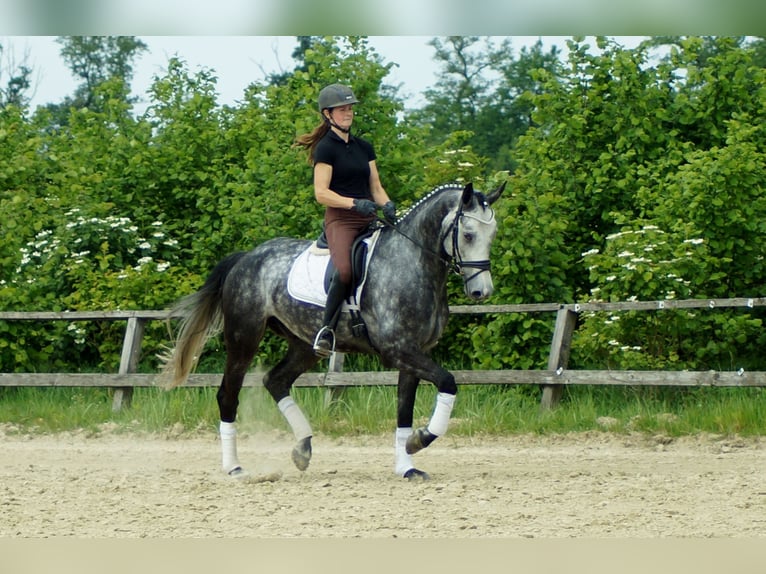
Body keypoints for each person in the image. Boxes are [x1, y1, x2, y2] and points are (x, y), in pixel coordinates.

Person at [294, 83, 396, 357]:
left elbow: (375, 186)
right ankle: (326, 330)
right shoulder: (326, 149)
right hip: (341, 221)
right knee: (345, 272)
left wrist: (387, 205)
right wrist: (353, 203)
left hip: (368, 218)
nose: (348, 113)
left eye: (350, 108)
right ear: (328, 114)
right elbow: (321, 193)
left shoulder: (364, 147)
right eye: (343, 109)